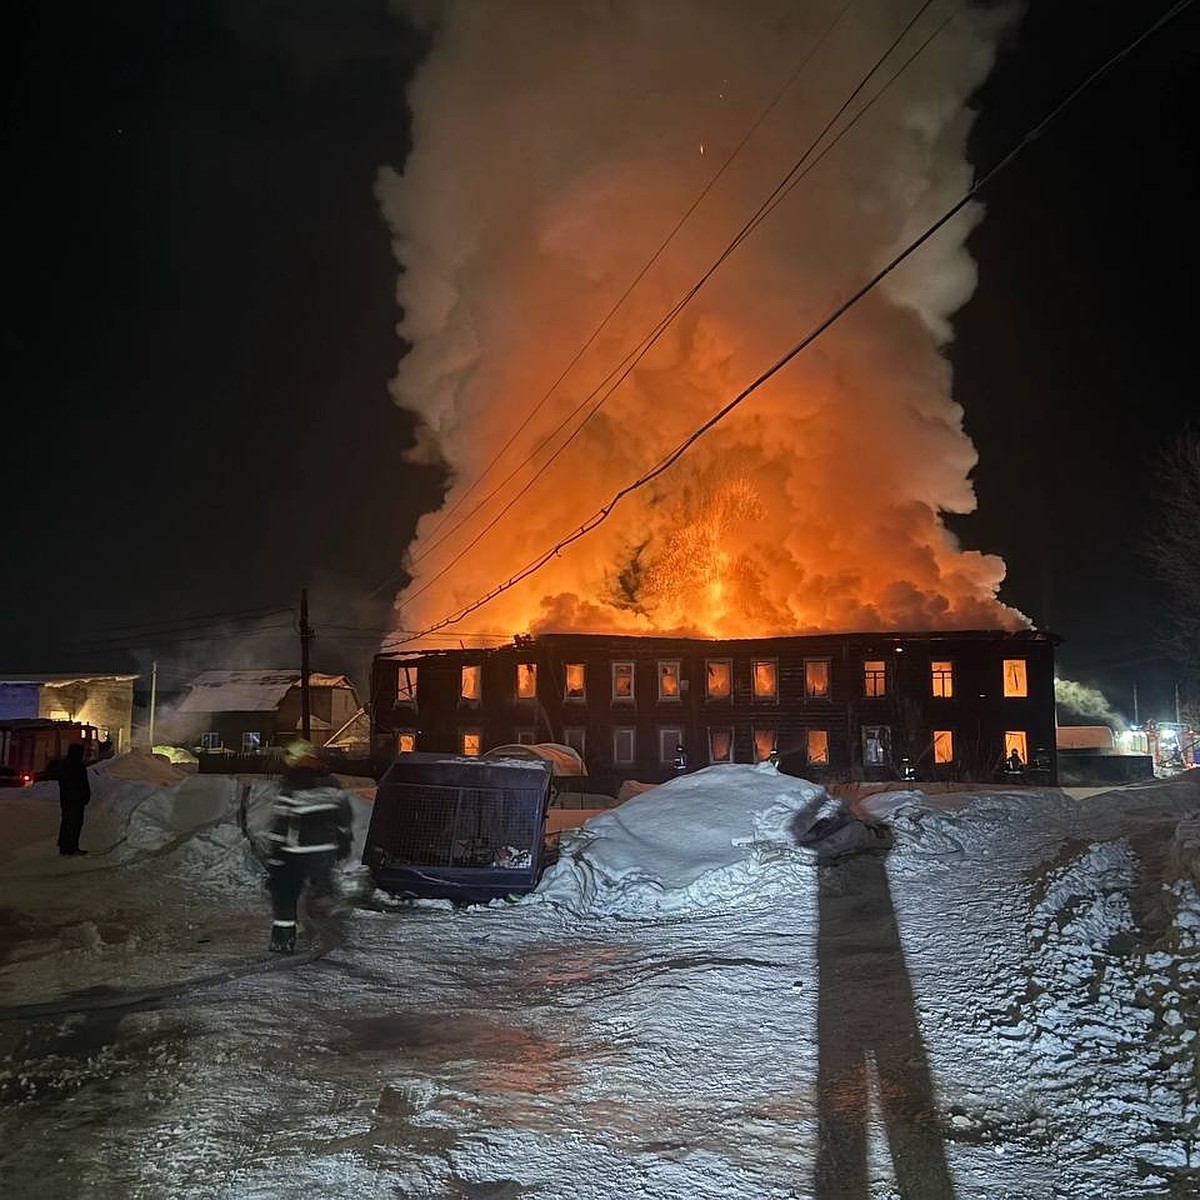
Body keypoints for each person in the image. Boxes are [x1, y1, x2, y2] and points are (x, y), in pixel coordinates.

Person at [264, 741, 354, 954]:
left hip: (296, 853)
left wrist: (275, 857)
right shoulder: (332, 785)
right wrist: (342, 843)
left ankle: (283, 941)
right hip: (324, 852)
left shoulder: (291, 788)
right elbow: (344, 818)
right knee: (321, 892)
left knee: (284, 894)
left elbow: (281, 826)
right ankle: (331, 934)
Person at [57, 743, 91, 855]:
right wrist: (85, 795)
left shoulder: (64, 765)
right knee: (74, 823)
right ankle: (72, 847)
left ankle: (64, 846)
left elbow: (63, 783)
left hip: (66, 799)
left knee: (67, 822)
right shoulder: (77, 766)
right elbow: (82, 783)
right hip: (76, 800)